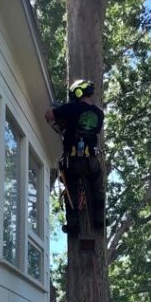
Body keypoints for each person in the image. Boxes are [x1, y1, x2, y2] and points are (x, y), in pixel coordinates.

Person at [45, 79, 105, 234]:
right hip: (91, 160)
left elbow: (49, 115)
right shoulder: (99, 114)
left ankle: (73, 225)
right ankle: (100, 220)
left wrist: (55, 109)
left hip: (71, 162)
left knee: (70, 193)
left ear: (77, 93)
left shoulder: (70, 108)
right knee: (97, 189)